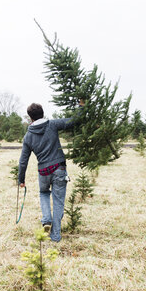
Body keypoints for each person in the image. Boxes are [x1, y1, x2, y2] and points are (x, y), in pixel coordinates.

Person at [18, 100, 84, 242]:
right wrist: (81, 106)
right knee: (58, 201)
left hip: (43, 171)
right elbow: (74, 121)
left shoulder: (28, 136)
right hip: (59, 168)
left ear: (31, 118)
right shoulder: (52, 125)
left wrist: (21, 179)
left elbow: (23, 160)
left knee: (43, 193)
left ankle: (46, 219)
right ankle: (55, 236)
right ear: (43, 114)